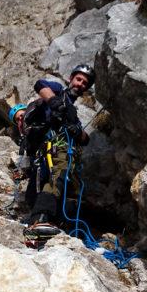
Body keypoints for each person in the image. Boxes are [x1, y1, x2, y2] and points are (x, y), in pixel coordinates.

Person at [23, 64, 95, 239]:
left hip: (59, 149)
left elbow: (85, 140)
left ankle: (49, 222)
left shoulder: (73, 113)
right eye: (79, 79)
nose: (80, 84)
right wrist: (54, 101)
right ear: (71, 79)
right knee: (56, 178)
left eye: (85, 83)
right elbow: (40, 84)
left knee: (62, 184)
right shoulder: (58, 92)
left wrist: (78, 132)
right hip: (50, 147)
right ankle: (40, 218)